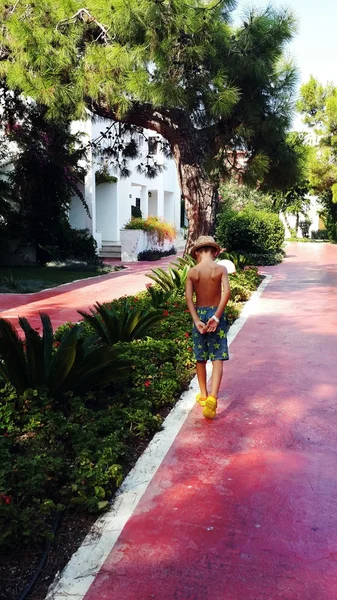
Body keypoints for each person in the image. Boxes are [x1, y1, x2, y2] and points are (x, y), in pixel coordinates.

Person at [185, 235, 231, 419]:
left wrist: (197, 320)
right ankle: (213, 397)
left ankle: (203, 394)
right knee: (217, 357)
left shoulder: (192, 272)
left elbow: (189, 298)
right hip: (215, 316)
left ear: (197, 252)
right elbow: (226, 293)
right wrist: (217, 317)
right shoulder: (220, 269)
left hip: (200, 317)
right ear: (214, 252)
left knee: (200, 357)